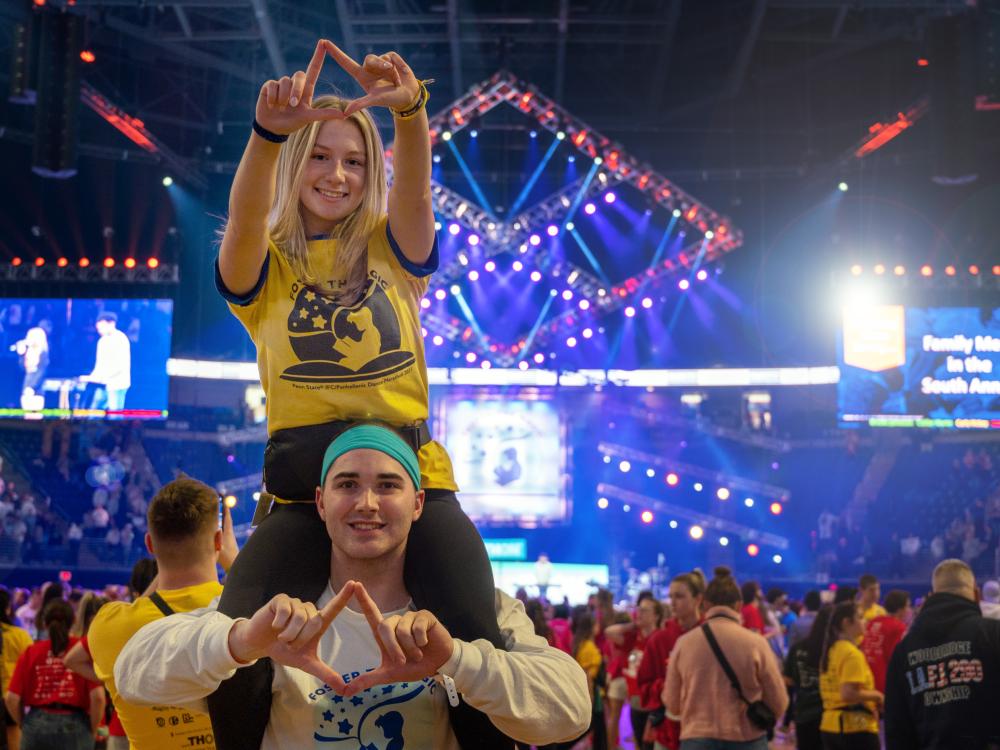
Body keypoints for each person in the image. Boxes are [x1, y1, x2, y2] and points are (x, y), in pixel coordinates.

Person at [210, 38, 509, 748]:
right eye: (318, 155)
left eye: (353, 160)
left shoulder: (389, 246)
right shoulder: (267, 263)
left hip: (414, 487)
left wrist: (411, 116)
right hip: (300, 492)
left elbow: (414, 194)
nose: (337, 174)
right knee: (233, 652)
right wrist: (265, 136)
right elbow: (246, 218)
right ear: (293, 164)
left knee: (476, 641)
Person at [113, 425, 591, 748]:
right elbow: (134, 674)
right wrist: (240, 642)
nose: (366, 502)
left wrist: (455, 660)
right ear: (320, 502)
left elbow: (571, 711)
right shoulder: (271, 614)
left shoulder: (469, 607)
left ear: (419, 502)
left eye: (387, 485)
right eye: (346, 485)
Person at [74, 478, 239, 750]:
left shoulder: (107, 626)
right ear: (219, 541)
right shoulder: (244, 613)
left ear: (150, 544)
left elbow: (153, 598)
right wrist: (235, 562)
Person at [664, 567, 788, 750]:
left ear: (705, 605)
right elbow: (779, 702)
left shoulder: (684, 643)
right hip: (746, 739)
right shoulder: (756, 643)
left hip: (697, 739)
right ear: (738, 605)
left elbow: (672, 703)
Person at [884, 559, 1000, 748]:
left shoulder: (904, 650)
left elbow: (897, 730)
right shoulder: (993, 634)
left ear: (931, 596)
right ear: (976, 594)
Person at [5, 599, 105, 750]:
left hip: (36, 724)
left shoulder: (31, 652)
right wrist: (92, 729)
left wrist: (24, 724)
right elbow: (98, 697)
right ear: (74, 621)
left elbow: (11, 698)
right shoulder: (82, 651)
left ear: (44, 623)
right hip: (75, 726)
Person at [637, 572, 705, 750]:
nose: (673, 602)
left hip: (706, 732)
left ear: (698, 599)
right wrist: (667, 686)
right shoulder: (659, 639)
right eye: (671, 596)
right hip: (668, 732)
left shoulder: (711, 635)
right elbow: (643, 685)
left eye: (680, 596)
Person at [818, 602, 881, 750]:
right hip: (854, 728)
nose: (864, 620)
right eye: (860, 617)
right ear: (846, 623)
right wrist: (877, 696)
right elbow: (848, 693)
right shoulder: (851, 653)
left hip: (831, 726)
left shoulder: (833, 649)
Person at [608, 594, 662, 750]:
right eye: (638, 609)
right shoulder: (633, 637)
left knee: (652, 744)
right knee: (638, 741)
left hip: (654, 703)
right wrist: (632, 625)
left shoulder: (659, 637)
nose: (639, 613)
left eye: (644, 610)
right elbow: (609, 632)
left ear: (656, 616)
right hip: (635, 700)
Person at [783, 606, 834, 750]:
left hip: (804, 713)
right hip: (831, 716)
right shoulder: (837, 649)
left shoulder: (798, 648)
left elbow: (788, 681)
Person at [0, 587, 33, 750]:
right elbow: (30, 668)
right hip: (12, 697)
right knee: (14, 743)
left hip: (10, 697)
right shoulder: (21, 635)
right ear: (8, 608)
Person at [859, 589, 909, 694]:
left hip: (865, 680)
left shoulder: (873, 622)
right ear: (901, 610)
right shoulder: (898, 627)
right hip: (884, 684)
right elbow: (897, 659)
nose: (909, 610)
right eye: (907, 606)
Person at [83, 312, 131, 411]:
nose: (99, 331)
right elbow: (99, 364)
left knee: (115, 413)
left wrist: (101, 377)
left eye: (101, 328)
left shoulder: (120, 339)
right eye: (98, 329)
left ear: (111, 324)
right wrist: (92, 377)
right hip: (103, 383)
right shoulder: (102, 341)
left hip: (117, 383)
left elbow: (119, 365)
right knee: (94, 411)